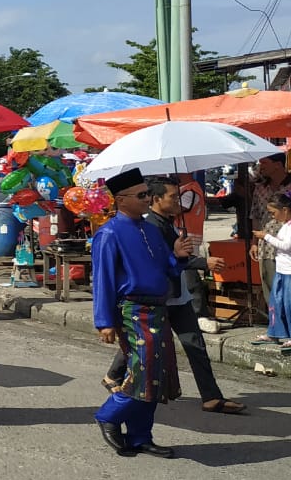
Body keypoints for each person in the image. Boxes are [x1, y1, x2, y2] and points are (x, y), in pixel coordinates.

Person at [103, 176, 245, 413]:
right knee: (145, 347)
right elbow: (139, 268)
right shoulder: (133, 229)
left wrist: (181, 255)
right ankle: (114, 393)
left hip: (177, 296)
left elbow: (171, 261)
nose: (179, 201)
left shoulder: (164, 223)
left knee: (193, 344)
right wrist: (105, 321)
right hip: (153, 300)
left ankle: (211, 396)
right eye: (173, 197)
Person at [92, 168, 187, 458]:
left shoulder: (150, 229)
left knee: (156, 375)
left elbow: (166, 267)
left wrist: (179, 256)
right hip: (132, 309)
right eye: (142, 195)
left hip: (158, 308)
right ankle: (108, 414)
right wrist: (104, 321)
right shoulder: (108, 233)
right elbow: (103, 279)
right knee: (143, 372)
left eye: (148, 193)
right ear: (121, 200)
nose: (149, 199)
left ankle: (139, 436)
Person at [254, 191, 291, 348]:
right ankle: (274, 332)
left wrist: (266, 236)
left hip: (289, 271)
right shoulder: (284, 226)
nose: (273, 216)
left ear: (285, 210)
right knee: (276, 302)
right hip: (281, 270)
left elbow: (287, 246)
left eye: (273, 213)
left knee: (289, 304)